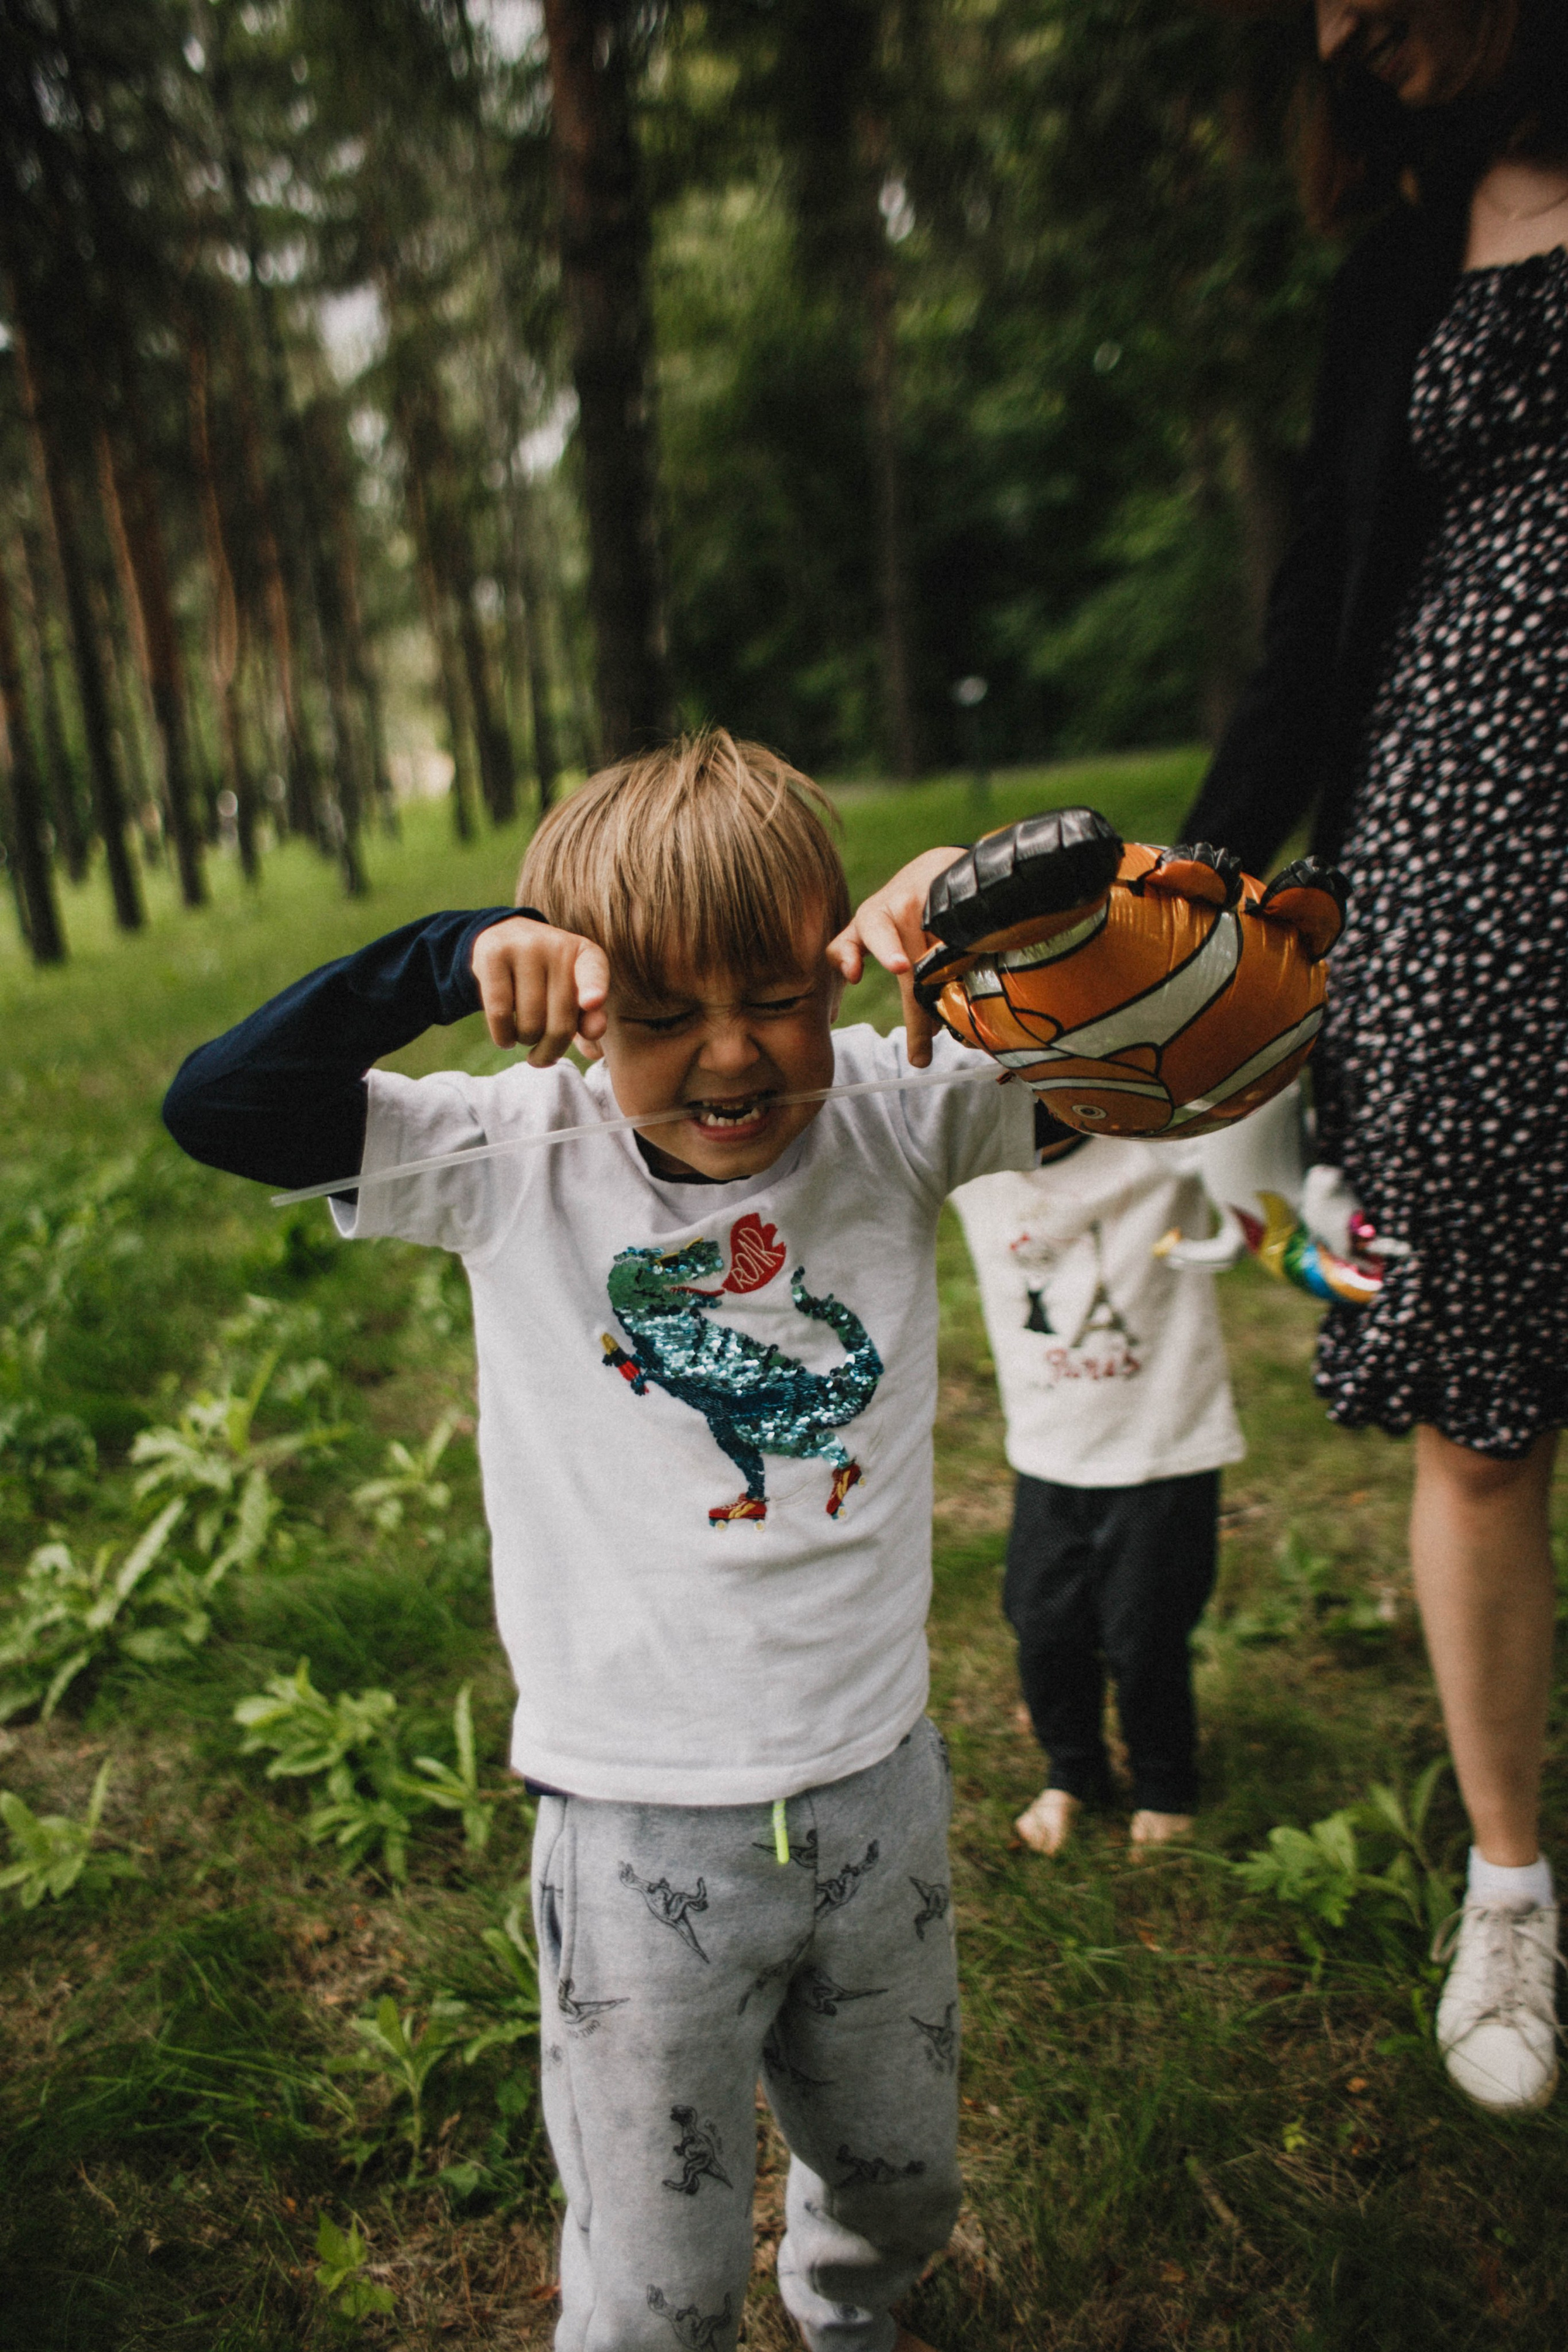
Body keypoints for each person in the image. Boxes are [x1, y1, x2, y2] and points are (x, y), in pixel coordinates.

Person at [163, 731, 1070, 2352]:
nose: (732, 1058)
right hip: (638, 1837)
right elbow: (219, 1105)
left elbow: (1194, 1052)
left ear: (836, 966)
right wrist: (438, 959)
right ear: (581, 1008)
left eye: (774, 995)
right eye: (662, 1016)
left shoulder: (895, 1109)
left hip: (878, 1789)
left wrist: (1020, 922)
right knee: (657, 2282)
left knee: (898, 2181)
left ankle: (857, 2317)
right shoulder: (518, 1153)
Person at [1184, 0, 1568, 2113]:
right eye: (1330, 28)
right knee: (1485, 1420)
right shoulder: (1403, 268)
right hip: (1455, 902)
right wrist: (1187, 893)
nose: (1357, 40)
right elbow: (1319, 612)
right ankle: (1510, 1890)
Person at [952, 1141, 1244, 1858]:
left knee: (1144, 1636)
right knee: (1041, 1623)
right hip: (1049, 1458)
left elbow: (1254, 1095)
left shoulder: (1159, 1142)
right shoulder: (975, 1164)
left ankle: (1164, 1786)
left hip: (1159, 1451)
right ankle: (1073, 1774)